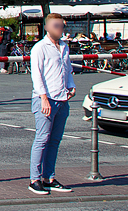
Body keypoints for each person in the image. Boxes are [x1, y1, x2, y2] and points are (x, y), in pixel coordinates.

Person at [28, 13, 75, 195]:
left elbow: (67, 69)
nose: (60, 29)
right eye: (55, 26)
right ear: (47, 27)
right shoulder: (40, 48)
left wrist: (71, 86)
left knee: (54, 140)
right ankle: (34, 179)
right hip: (46, 99)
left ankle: (49, 177)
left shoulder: (63, 47)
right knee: (42, 139)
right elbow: (36, 75)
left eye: (61, 26)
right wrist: (43, 98)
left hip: (62, 99)